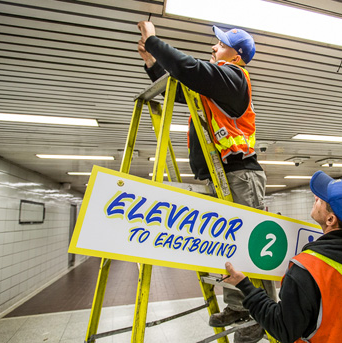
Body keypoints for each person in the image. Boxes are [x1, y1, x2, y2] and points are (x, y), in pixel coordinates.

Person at [137, 21, 277, 343]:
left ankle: (264, 313)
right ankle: (239, 306)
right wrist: (151, 63)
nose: (213, 48)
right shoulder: (213, 90)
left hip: (240, 174)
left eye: (221, 44)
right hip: (220, 176)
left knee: (252, 249)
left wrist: (155, 42)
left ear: (237, 56)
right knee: (230, 249)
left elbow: (189, 69)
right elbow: (180, 83)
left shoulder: (234, 78)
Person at [222, 171, 342, 343]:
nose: (315, 197)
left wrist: (244, 285)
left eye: (321, 199)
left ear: (330, 219)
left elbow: (283, 329)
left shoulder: (307, 269)